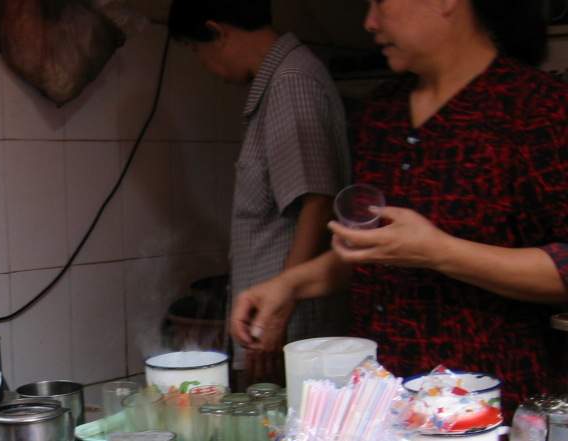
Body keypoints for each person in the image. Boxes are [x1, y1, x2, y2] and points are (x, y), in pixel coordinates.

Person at [230, 0, 568, 412]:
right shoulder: (382, 113)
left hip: (488, 407)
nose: (369, 22)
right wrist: (290, 285)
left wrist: (440, 252)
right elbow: (377, 252)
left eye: (381, 2)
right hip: (381, 404)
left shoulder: (540, 109)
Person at [168, 0, 351, 387]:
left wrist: (279, 310)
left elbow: (317, 202)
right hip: (275, 321)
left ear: (217, 32)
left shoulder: (291, 81)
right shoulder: (282, 80)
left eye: (196, 49)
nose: (203, 63)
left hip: (290, 330)